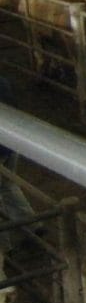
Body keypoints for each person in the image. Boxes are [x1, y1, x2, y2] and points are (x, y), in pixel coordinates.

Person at [0, 77, 38, 254]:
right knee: (8, 185)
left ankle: (4, 248)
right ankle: (32, 226)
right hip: (11, 143)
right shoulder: (3, 82)